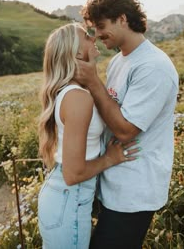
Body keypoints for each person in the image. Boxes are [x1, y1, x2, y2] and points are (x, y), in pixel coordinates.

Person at [75, 0, 179, 249]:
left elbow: (125, 130)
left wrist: (93, 82)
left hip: (135, 191)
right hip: (113, 182)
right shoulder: (120, 61)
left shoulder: (154, 66)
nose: (96, 35)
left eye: (101, 26)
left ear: (122, 19)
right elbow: (109, 109)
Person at [37, 23, 140, 249]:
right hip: (69, 199)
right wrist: (110, 159)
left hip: (63, 198)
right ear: (74, 52)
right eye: (86, 36)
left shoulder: (73, 93)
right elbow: (73, 174)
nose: (93, 38)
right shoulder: (78, 98)